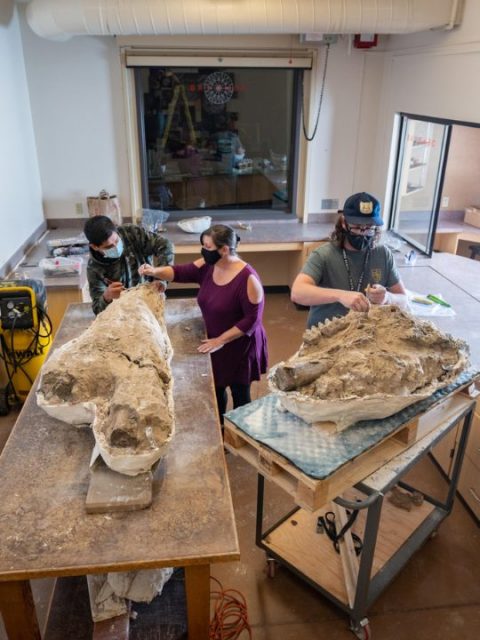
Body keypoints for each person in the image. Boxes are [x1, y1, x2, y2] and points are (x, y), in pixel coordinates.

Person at [139, 224, 268, 423]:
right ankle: (221, 431)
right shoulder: (208, 265)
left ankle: (241, 436)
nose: (203, 251)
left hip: (240, 345)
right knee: (215, 389)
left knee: (240, 393)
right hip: (214, 340)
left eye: (207, 247)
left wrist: (221, 340)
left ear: (224, 250)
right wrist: (154, 271)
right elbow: (180, 272)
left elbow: (252, 320)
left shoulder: (248, 279)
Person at [291, 192, 407, 328]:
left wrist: (387, 297)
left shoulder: (383, 254)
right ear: (344, 223)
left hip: (366, 334)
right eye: (357, 227)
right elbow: (297, 293)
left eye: (369, 228)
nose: (363, 233)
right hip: (327, 333)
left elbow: (403, 300)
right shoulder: (324, 255)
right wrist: (340, 296)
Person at [84, 215, 174, 315]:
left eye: (117, 241)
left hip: (149, 303)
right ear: (94, 247)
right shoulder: (94, 269)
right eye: (109, 246)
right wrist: (106, 297)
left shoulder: (132, 233)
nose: (116, 247)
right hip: (122, 315)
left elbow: (165, 245)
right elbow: (97, 310)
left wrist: (160, 277)